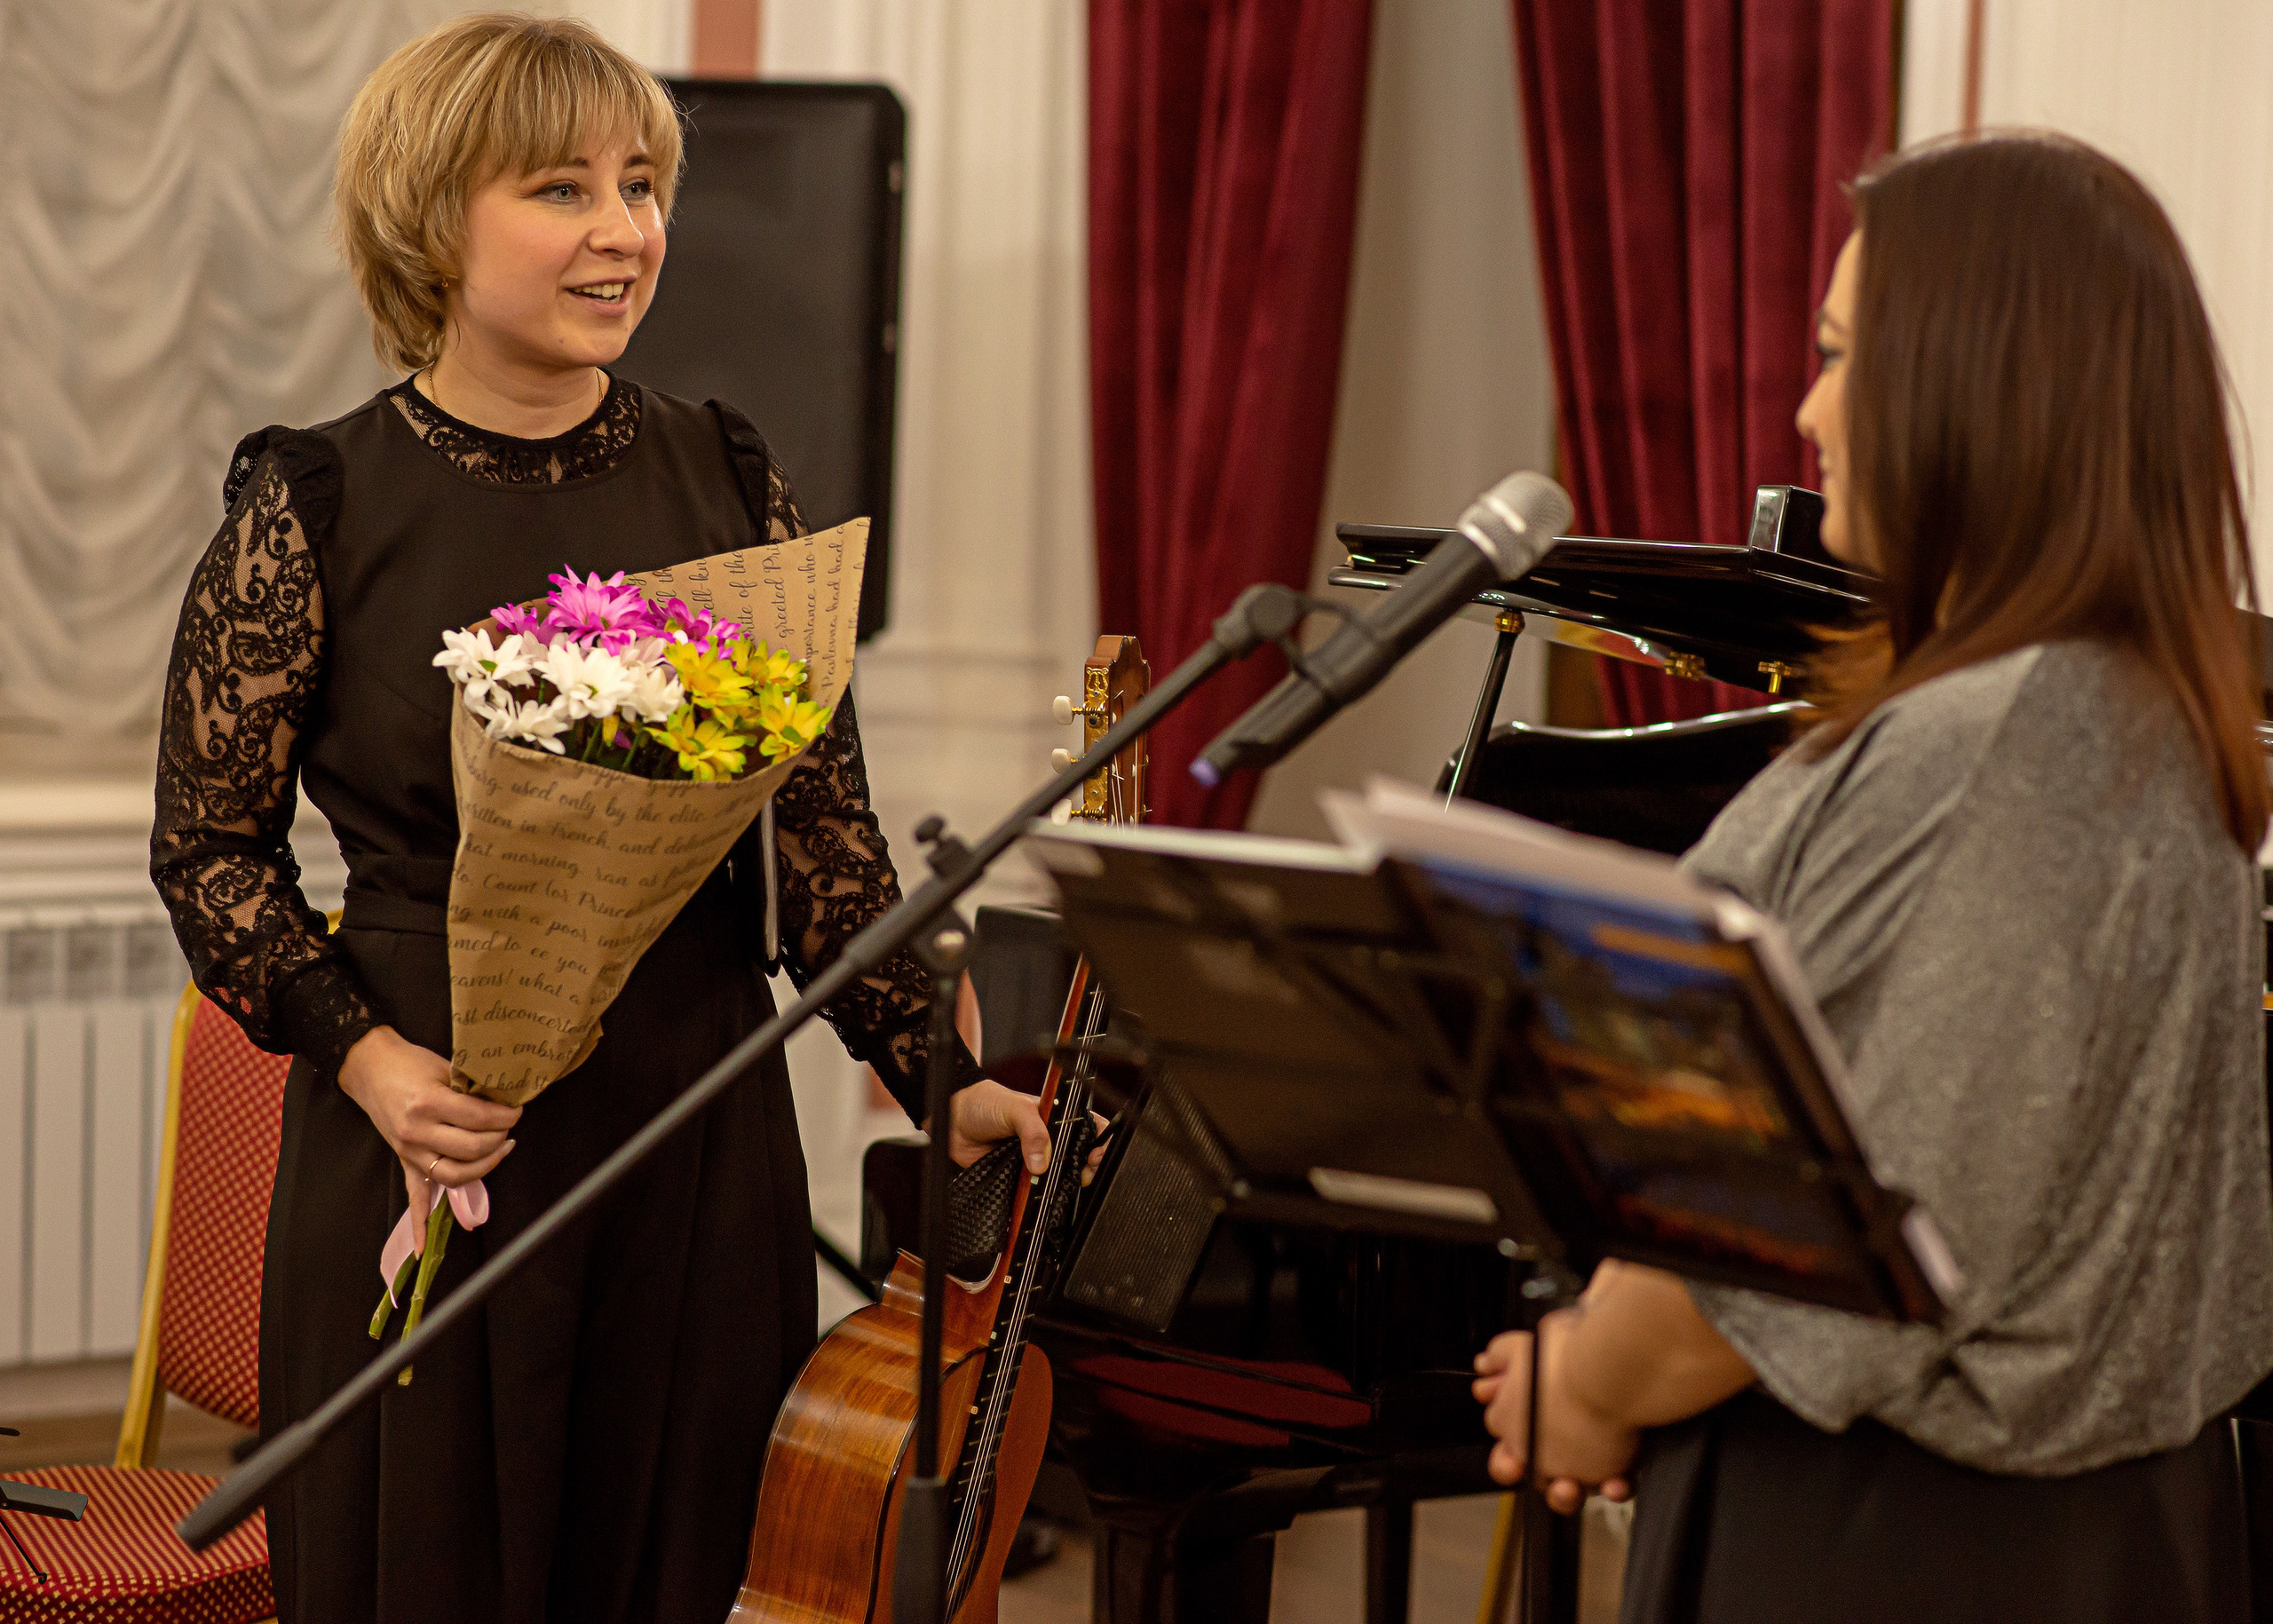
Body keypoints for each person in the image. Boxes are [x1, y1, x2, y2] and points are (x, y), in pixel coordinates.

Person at [150, 16, 1058, 1621]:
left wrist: (947, 1078)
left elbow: (827, 848)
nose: (626, 229)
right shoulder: (316, 501)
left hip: (692, 1131)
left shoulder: (728, 474)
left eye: (643, 185)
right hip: (432, 1133)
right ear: (434, 219)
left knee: (685, 1565)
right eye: (563, 189)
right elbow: (210, 852)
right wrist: (370, 1061)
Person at [1472, 131, 2273, 1623]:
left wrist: (1587, 1372)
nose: (1806, 406)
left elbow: (1803, 1229)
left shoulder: (2010, 747)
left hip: (1913, 1546)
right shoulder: (2081, 714)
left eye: (1843, 354)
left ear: (1976, 384)